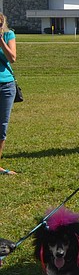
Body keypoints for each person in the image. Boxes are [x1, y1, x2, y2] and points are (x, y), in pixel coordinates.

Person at [0, 12, 18, 175]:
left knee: (2, 127)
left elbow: (12, 58)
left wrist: (0, 40)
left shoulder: (8, 35)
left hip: (6, 85)